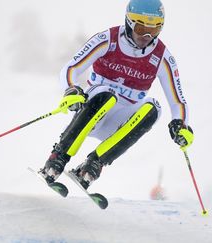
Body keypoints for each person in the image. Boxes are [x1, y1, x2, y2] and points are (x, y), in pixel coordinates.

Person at [39, 0, 194, 190]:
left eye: (153, 31)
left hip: (120, 123)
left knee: (154, 108)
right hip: (93, 113)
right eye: (140, 28)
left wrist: (181, 124)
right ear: (129, 22)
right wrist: (71, 89)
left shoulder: (162, 57)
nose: (146, 36)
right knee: (108, 93)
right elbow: (71, 68)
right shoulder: (109, 39)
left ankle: (93, 165)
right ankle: (58, 157)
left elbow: (178, 101)